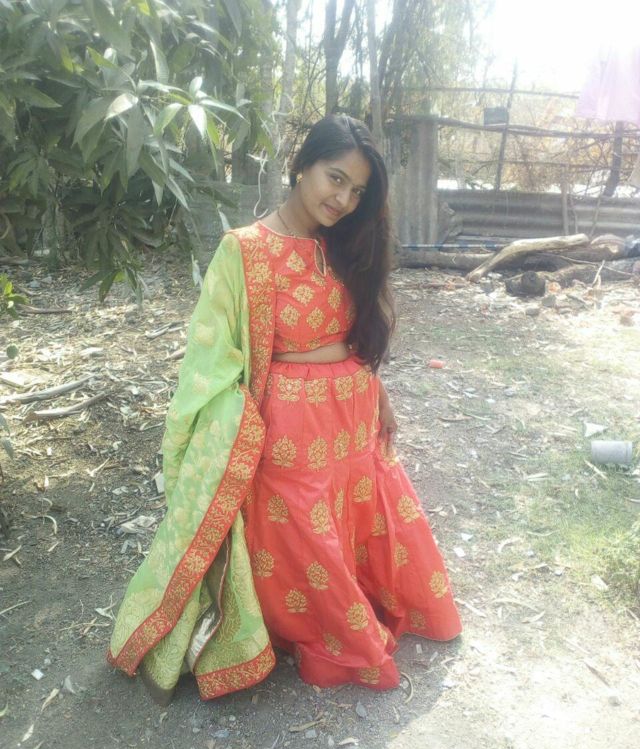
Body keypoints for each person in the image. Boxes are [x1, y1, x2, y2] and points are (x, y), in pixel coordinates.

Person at [108, 115, 462, 705]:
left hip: (352, 418)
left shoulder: (346, 243)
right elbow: (211, 357)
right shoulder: (243, 250)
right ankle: (311, 628)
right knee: (306, 535)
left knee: (354, 518)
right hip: (289, 430)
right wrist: (234, 426)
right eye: (335, 178)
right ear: (302, 166)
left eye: (357, 191)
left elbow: (359, 336)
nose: (343, 200)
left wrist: (379, 392)